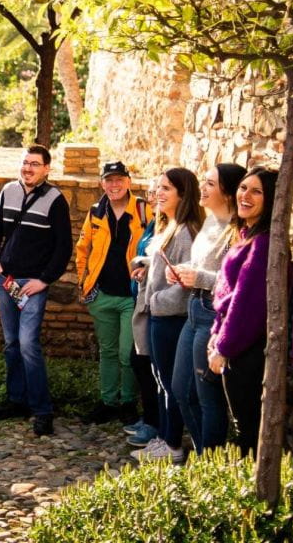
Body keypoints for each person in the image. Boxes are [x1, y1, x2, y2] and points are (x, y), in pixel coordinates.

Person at [0, 145, 73, 436]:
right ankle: (16, 400)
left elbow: (63, 248)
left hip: (33, 285)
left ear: (46, 169)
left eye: (35, 164)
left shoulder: (55, 199)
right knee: (11, 343)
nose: (28, 168)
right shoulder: (8, 191)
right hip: (7, 280)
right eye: (25, 163)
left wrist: (45, 280)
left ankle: (42, 411)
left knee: (27, 344)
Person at [168, 163, 245, 454]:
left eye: (210, 184)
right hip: (194, 307)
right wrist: (184, 271)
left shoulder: (236, 231)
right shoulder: (210, 221)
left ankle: (209, 463)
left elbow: (236, 283)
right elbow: (203, 267)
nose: (203, 187)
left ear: (227, 193)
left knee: (207, 396)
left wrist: (198, 277)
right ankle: (204, 454)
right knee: (180, 389)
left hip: (214, 314)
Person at [131, 168, 203, 464]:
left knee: (170, 384)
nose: (158, 193)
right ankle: (165, 437)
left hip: (169, 317)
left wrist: (156, 300)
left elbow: (186, 281)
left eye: (167, 189)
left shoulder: (186, 232)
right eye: (158, 188)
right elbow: (167, 266)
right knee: (161, 381)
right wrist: (145, 266)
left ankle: (172, 444)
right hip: (158, 314)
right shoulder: (169, 225)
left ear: (183, 195)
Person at [75, 161, 152, 426]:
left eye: (119, 179)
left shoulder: (144, 210)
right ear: (102, 183)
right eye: (109, 180)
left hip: (132, 295)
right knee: (107, 351)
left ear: (129, 182)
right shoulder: (96, 211)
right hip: (102, 294)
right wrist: (85, 283)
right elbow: (82, 248)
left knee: (127, 352)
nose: (114, 185)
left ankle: (128, 401)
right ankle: (108, 402)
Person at [209, 167, 278, 456]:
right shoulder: (246, 234)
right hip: (233, 343)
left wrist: (222, 346)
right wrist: (215, 334)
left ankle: (249, 492)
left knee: (245, 429)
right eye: (243, 188)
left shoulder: (263, 244)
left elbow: (245, 303)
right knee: (241, 425)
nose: (245, 195)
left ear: (270, 198)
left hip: (246, 351)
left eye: (256, 191)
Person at [126, 177, 161, 447]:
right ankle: (149, 417)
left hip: (156, 304)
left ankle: (155, 424)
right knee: (139, 360)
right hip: (141, 299)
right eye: (150, 191)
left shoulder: (173, 226)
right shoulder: (153, 221)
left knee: (147, 364)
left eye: (159, 190)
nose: (153, 196)